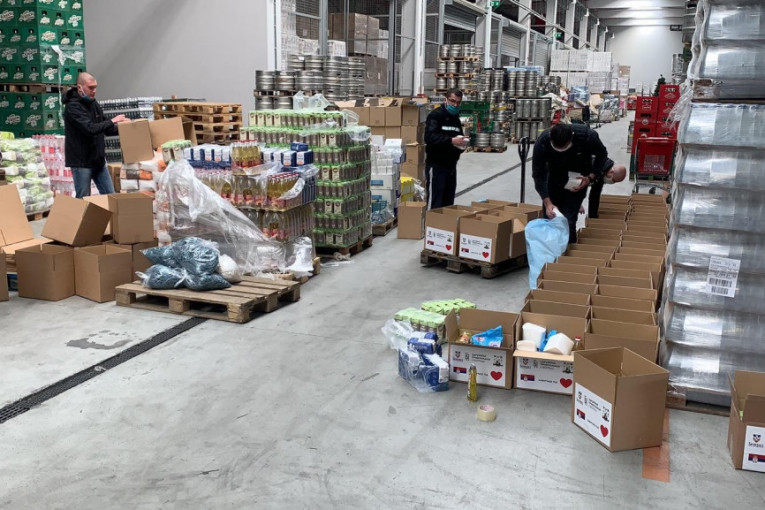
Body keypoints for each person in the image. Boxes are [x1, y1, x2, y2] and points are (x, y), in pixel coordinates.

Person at [531, 123, 608, 243]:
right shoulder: (542, 142)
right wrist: (548, 203)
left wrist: (590, 178)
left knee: (568, 221)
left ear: (571, 138)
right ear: (551, 136)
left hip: (578, 179)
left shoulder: (587, 136)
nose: (560, 150)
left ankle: (569, 250)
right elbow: (538, 175)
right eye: (557, 148)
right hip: (555, 177)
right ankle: (550, 252)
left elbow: (602, 155)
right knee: (551, 217)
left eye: (564, 147)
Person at [63, 72, 129, 198]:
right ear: (79, 87)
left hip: (98, 160)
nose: (94, 91)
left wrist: (125, 128)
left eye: (95, 87)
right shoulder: (73, 107)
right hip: (82, 163)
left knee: (111, 196)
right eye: (90, 88)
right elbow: (89, 129)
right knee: (83, 198)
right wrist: (113, 121)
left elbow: (106, 129)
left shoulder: (93, 103)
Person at [424, 88, 468, 209]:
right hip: (436, 167)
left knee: (448, 204)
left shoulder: (455, 118)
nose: (455, 105)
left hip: (451, 167)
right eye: (452, 101)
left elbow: (458, 136)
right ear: (446, 100)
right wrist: (451, 141)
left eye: (458, 102)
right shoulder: (435, 115)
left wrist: (462, 144)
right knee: (436, 203)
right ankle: (432, 221)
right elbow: (429, 137)